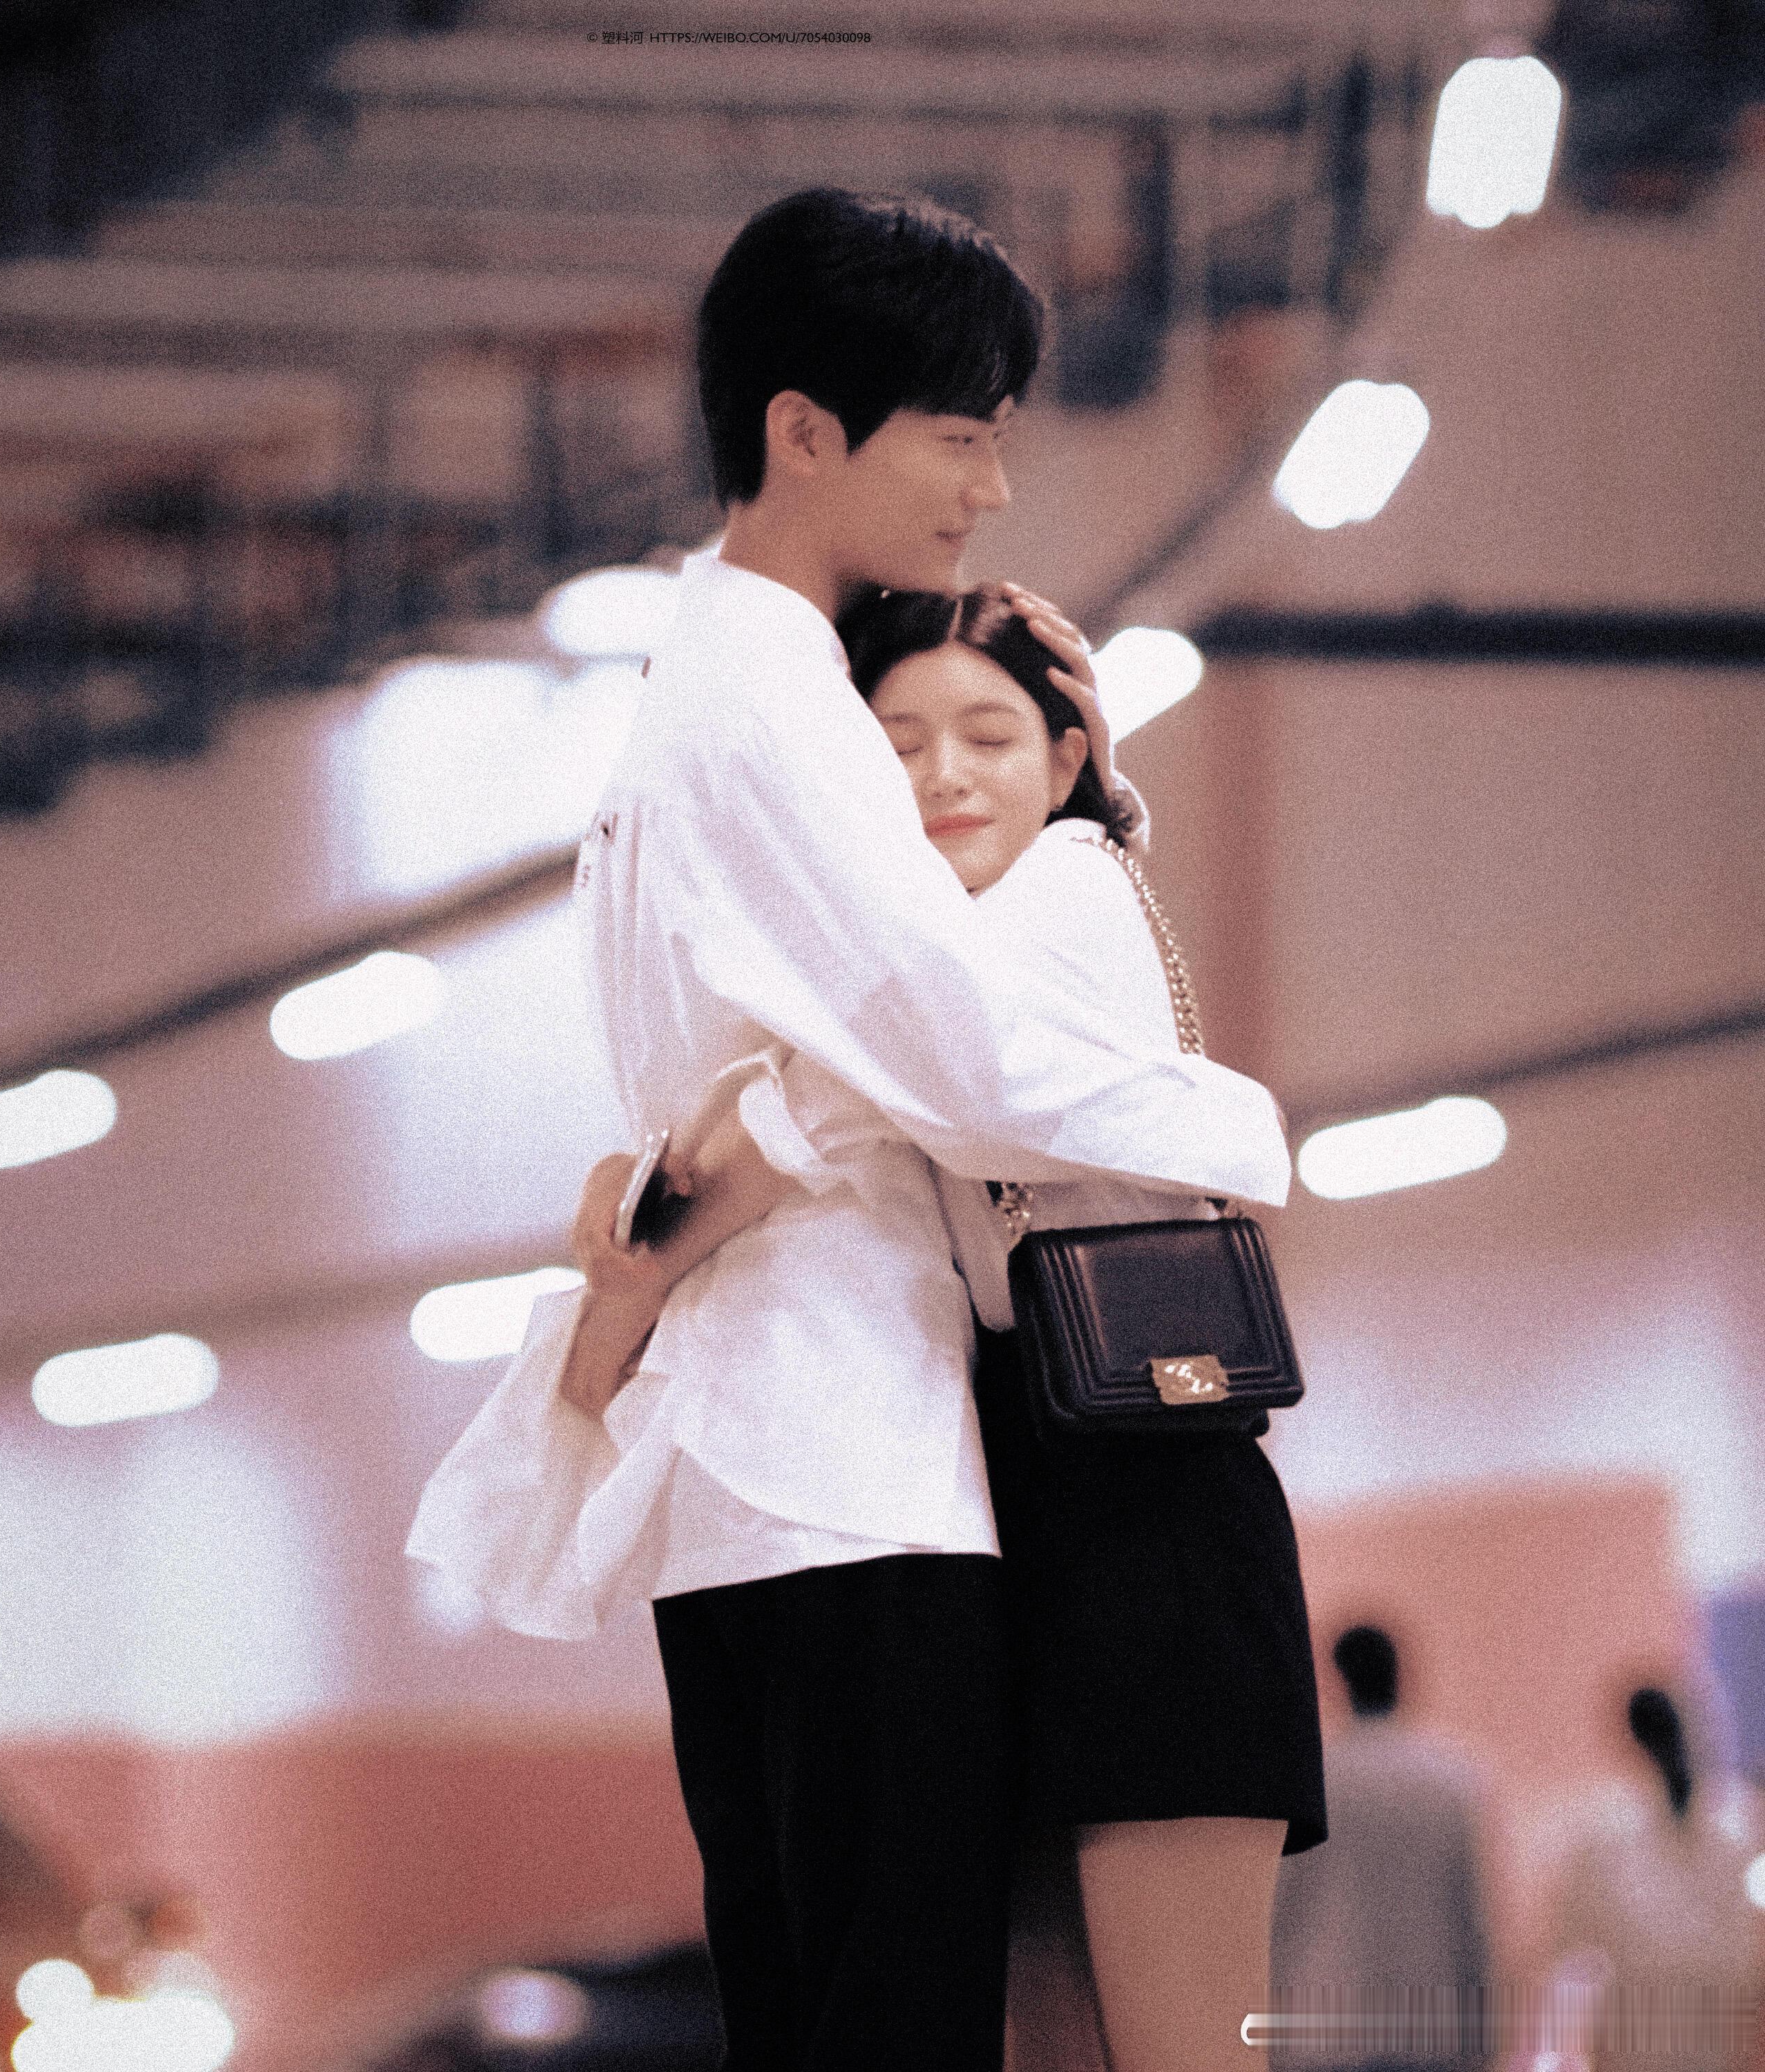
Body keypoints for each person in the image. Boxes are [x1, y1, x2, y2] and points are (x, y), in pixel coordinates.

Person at [412, 186, 1292, 2072]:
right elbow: (956, 1056)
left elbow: (778, 1098)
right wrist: (1232, 1122)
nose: (990, 485)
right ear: (805, 430)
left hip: (756, 1484)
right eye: (959, 434)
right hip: (848, 1468)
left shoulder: (691, 694)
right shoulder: (776, 707)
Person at [560, 583, 1322, 2072]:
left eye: (989, 735)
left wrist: (635, 1258)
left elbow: (800, 1120)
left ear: (1065, 758)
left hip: (1152, 1525)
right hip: (1020, 1513)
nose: (944, 777)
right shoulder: (926, 953)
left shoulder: (1058, 894)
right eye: (897, 746)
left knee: (1182, 2051)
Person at [1268, 1624, 1489, 2072]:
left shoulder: (1315, 1779)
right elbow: (1469, 1913)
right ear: (1400, 1675)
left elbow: (1282, 1911)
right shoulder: (1451, 1779)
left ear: (1337, 1679)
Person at [1540, 1684, 1764, 2072]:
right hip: (1711, 2020)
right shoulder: (1740, 1820)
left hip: (1641, 2024)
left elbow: (1570, 1943)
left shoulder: (1602, 1826)